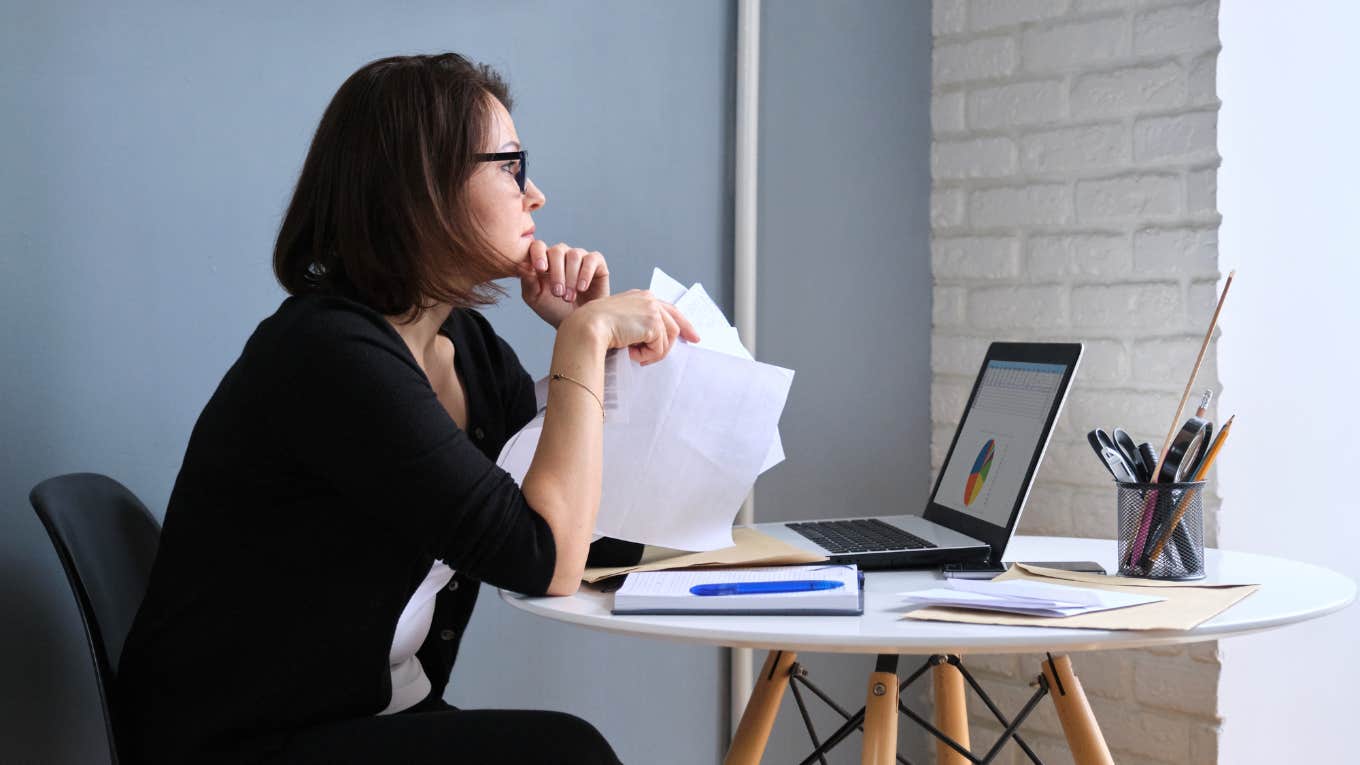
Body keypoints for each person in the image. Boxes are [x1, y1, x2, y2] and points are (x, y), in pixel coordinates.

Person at [114, 52, 698, 764]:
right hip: (248, 740)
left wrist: (594, 354)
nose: (535, 193)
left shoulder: (466, 347)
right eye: (511, 165)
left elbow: (583, 522)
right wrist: (584, 338)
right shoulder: (330, 355)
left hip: (363, 716)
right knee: (567, 752)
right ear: (423, 185)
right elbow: (544, 558)